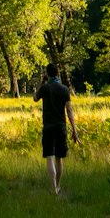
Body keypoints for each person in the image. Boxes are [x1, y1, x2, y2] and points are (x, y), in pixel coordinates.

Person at [34, 61, 78, 195]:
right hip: (61, 127)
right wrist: (74, 130)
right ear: (58, 73)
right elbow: (69, 110)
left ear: (47, 74)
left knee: (49, 157)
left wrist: (42, 82)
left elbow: (35, 98)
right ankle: (58, 186)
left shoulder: (45, 88)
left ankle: (53, 188)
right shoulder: (64, 89)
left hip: (48, 126)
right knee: (59, 158)